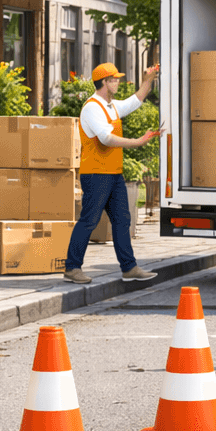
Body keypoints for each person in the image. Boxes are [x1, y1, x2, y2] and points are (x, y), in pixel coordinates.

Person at [64, 61, 163, 285]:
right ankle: (72, 268)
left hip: (113, 173)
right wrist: (137, 142)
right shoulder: (92, 107)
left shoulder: (110, 106)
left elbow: (135, 101)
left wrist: (148, 80)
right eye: (114, 79)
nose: (118, 82)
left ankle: (129, 268)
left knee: (122, 220)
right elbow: (106, 138)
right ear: (104, 82)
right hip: (96, 174)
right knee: (89, 221)